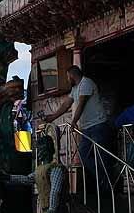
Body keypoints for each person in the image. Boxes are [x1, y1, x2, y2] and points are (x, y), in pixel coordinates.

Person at [42, 65, 112, 195]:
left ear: (73, 75)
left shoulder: (86, 83)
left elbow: (81, 104)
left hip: (98, 125)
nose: (68, 79)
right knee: (84, 155)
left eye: (68, 77)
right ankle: (103, 180)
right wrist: (52, 117)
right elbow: (66, 104)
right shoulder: (75, 88)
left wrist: (73, 122)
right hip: (87, 128)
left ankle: (107, 185)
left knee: (102, 157)